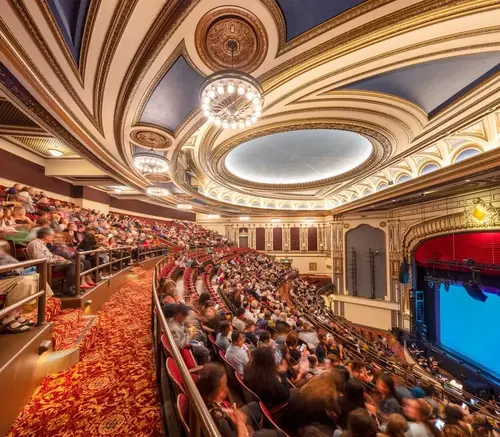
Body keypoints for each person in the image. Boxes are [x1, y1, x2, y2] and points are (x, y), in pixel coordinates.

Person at [196, 363, 284, 437]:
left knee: (255, 405)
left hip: (232, 424)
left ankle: (256, 429)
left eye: (226, 384)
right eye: (222, 389)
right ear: (210, 395)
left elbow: (217, 408)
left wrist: (228, 411)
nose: (226, 390)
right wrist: (240, 422)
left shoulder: (205, 399)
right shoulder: (220, 422)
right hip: (238, 432)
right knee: (279, 434)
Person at [26, 228, 80, 296]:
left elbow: (49, 256)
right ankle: (70, 288)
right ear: (46, 236)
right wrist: (57, 260)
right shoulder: (35, 244)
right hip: (46, 267)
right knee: (75, 265)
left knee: (79, 264)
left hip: (52, 264)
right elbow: (40, 259)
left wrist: (57, 257)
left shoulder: (42, 244)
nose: (53, 238)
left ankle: (71, 288)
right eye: (52, 236)